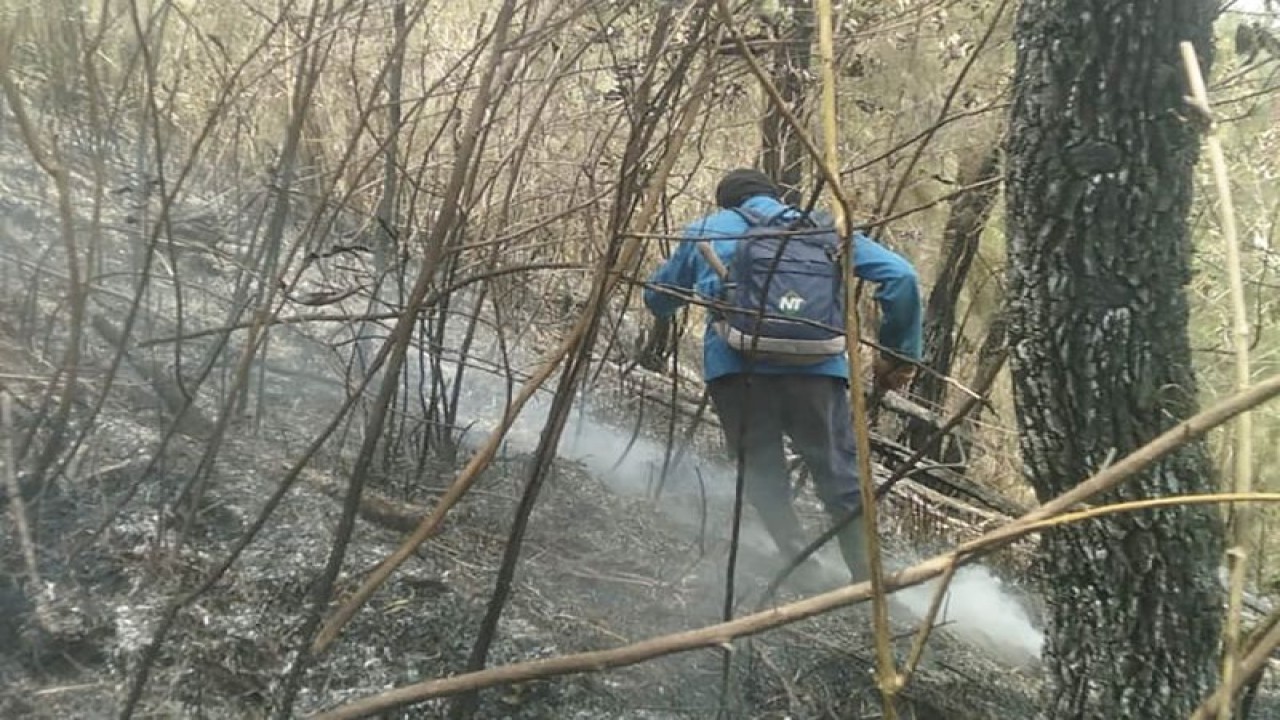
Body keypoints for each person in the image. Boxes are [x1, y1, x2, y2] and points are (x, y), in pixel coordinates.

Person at [642, 168, 923, 587]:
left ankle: (799, 567)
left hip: (737, 371)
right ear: (775, 196)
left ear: (729, 202)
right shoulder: (823, 229)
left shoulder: (708, 229)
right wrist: (898, 355)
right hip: (817, 371)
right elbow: (902, 276)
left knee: (763, 471)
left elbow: (657, 300)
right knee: (840, 477)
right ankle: (870, 582)